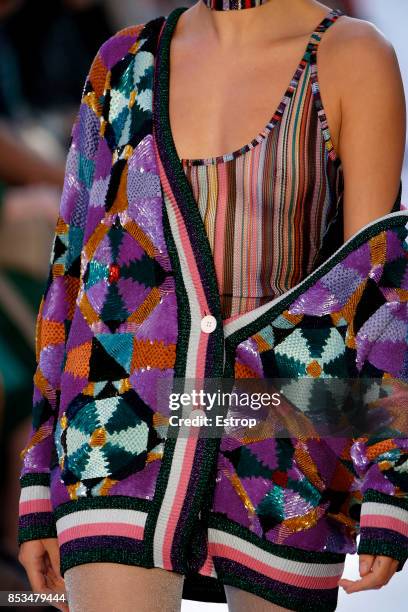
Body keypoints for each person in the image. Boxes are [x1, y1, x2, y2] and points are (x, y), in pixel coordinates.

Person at [17, 1, 407, 611]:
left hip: (280, 436)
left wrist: (390, 476)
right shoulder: (122, 62)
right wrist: (39, 478)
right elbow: (69, 273)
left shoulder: (352, 57)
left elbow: (376, 293)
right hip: (115, 425)